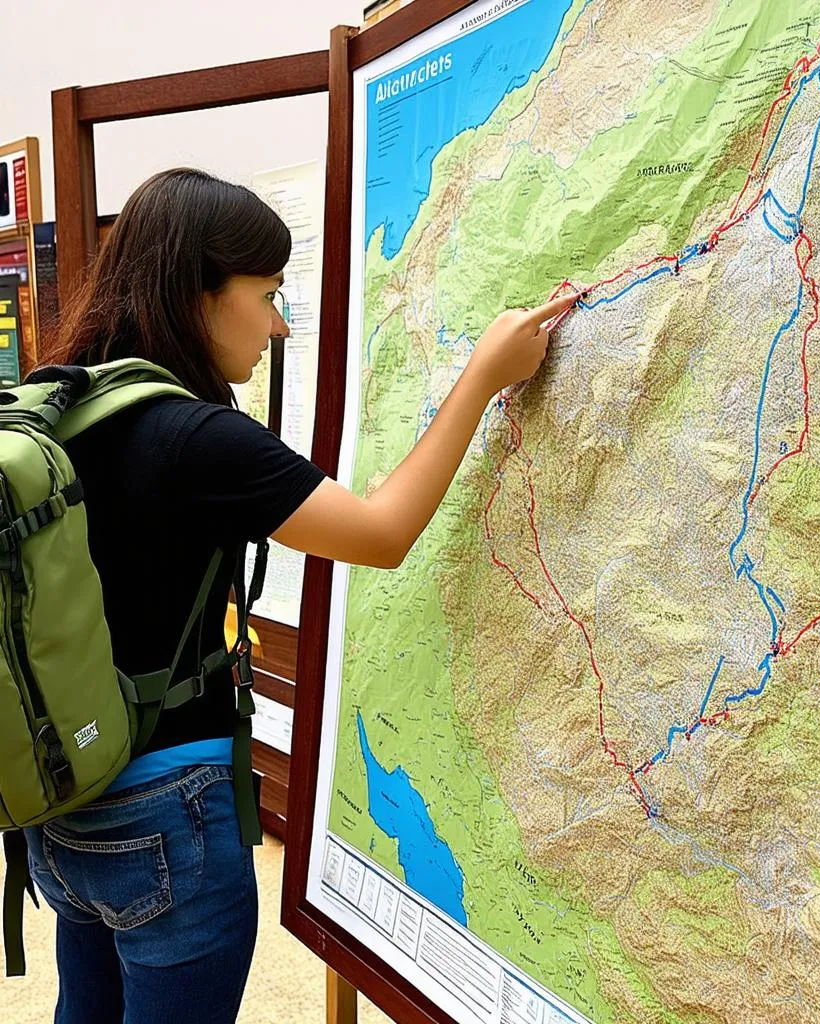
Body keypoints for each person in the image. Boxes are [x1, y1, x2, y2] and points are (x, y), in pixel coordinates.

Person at [25, 167, 577, 1024]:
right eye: (268, 293)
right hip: (171, 818)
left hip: (60, 809)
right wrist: (484, 375)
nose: (278, 323)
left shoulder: (60, 403)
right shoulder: (197, 437)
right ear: (201, 293)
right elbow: (382, 533)